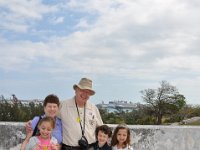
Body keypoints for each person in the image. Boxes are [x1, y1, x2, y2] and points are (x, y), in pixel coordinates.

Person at [58, 77, 103, 150]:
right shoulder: (63, 105)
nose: (85, 94)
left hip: (91, 147)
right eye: (82, 90)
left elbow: (101, 128)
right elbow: (50, 119)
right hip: (69, 148)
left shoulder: (93, 108)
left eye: (88, 92)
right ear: (76, 90)